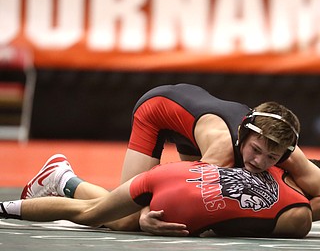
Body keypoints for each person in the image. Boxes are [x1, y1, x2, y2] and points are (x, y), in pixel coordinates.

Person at [20, 83, 320, 234]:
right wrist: (146, 215)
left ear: (287, 152)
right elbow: (166, 188)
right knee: (126, 219)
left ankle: (62, 180)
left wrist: (299, 208)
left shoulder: (286, 153)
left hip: (195, 118)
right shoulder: (222, 153)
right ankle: (62, 178)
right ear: (243, 134)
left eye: (273, 156)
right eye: (255, 150)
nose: (260, 162)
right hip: (159, 110)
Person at [0, 155, 312, 238]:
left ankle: (62, 179)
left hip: (172, 173)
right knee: (95, 216)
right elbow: (232, 226)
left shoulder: (276, 164)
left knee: (104, 214)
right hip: (178, 204)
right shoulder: (298, 217)